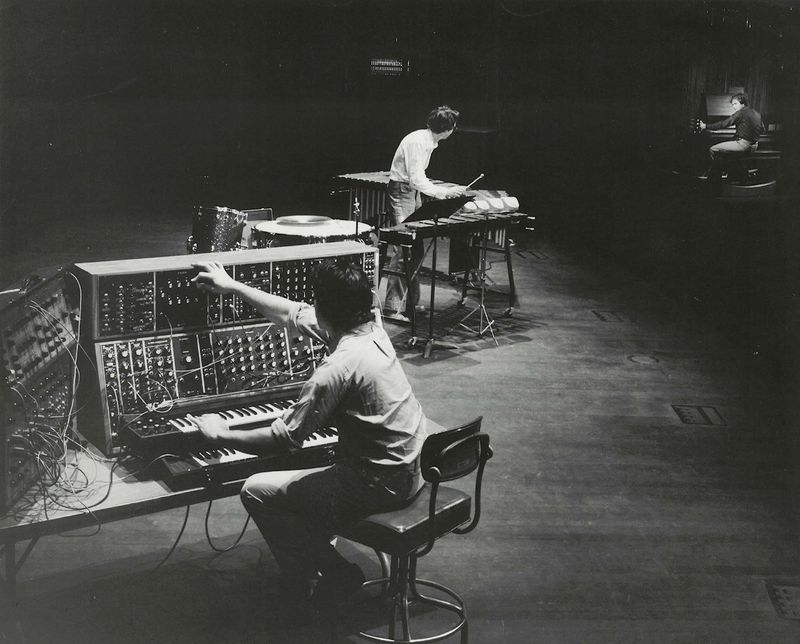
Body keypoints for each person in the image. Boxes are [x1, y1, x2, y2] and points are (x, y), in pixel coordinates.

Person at [187, 257, 428, 609]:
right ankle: (314, 565)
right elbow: (292, 313)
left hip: (377, 484)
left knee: (256, 491)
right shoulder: (373, 327)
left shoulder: (336, 369)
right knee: (313, 477)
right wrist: (232, 286)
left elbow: (283, 439)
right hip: (412, 471)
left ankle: (329, 574)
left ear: (325, 307)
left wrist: (221, 433)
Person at [384, 105, 467, 321]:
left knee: (416, 250)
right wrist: (444, 192)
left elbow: (419, 179)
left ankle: (409, 303)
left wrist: (444, 193)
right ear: (448, 129)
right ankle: (392, 308)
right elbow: (415, 178)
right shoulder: (418, 141)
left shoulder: (429, 142)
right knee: (404, 248)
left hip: (411, 193)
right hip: (402, 192)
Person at [698, 93, 764, 185]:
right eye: (732, 104)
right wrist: (745, 131)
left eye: (735, 104)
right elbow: (762, 129)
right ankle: (733, 177)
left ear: (742, 103)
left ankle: (714, 181)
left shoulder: (741, 113)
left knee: (713, 149)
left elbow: (724, 123)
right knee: (729, 153)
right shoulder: (756, 113)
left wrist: (705, 126)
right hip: (754, 146)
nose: (733, 107)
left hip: (743, 145)